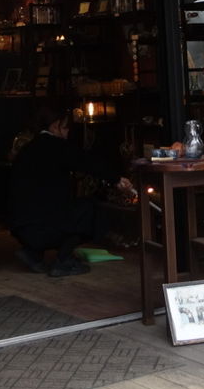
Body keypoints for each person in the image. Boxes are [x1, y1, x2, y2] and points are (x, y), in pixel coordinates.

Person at [8, 100, 132, 277]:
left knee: (51, 208)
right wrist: (116, 178)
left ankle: (32, 253)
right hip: (43, 228)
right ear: (55, 126)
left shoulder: (27, 149)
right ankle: (63, 261)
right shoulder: (57, 147)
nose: (67, 132)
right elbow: (87, 162)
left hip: (21, 228)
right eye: (65, 127)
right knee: (91, 210)